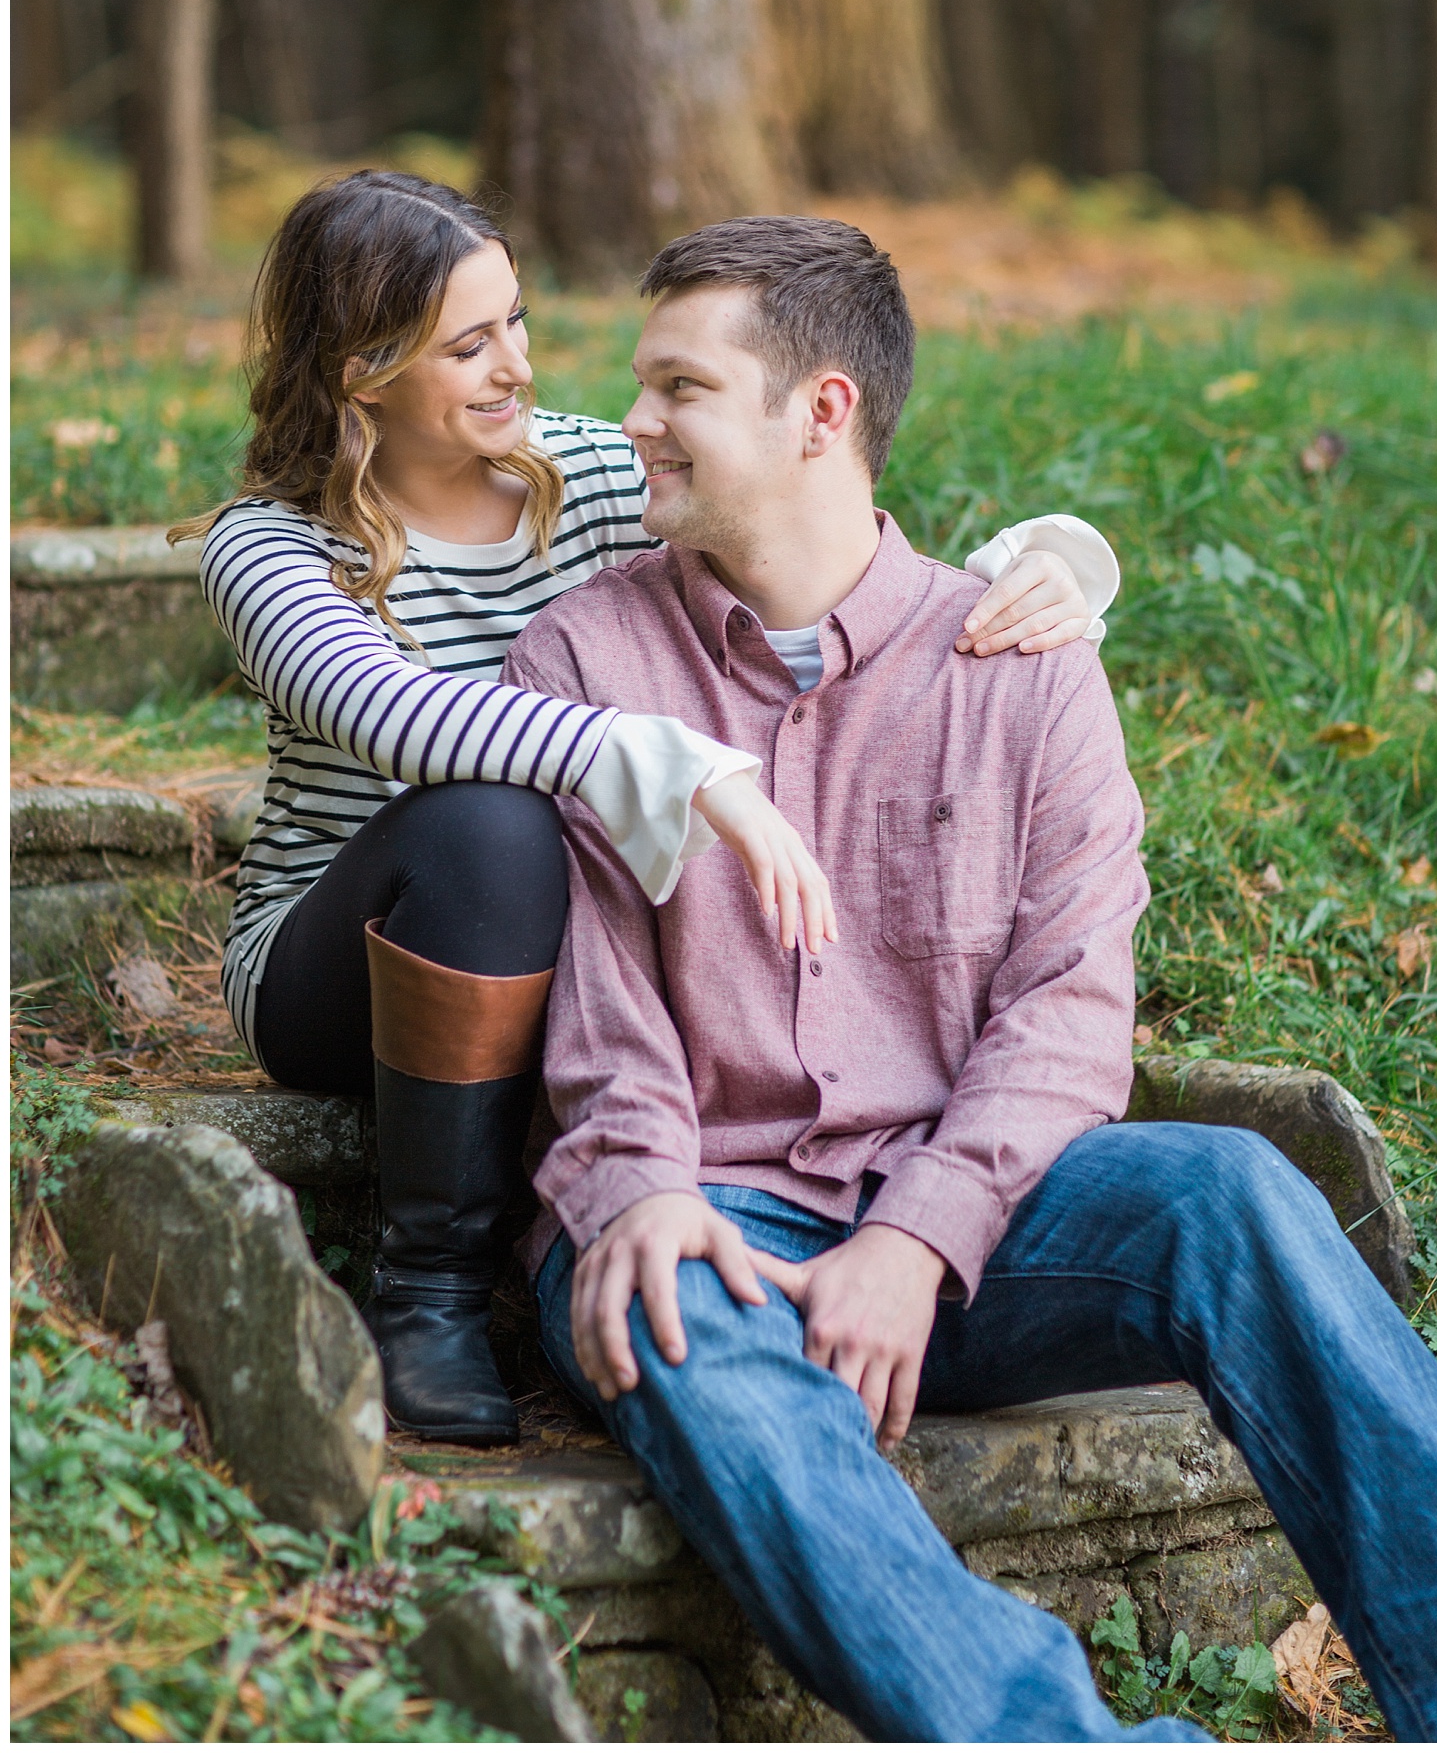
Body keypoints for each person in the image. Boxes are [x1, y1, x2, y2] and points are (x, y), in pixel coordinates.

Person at [504, 214, 1437, 1745]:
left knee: (1226, 1193)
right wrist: (632, 1185)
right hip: (710, 1214)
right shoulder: (580, 660)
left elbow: (1071, 1011)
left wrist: (922, 1234)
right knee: (668, 1299)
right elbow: (595, 987)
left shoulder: (1022, 660)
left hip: (978, 1219)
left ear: (820, 412)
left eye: (679, 388)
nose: (634, 420)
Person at [183, 169, 1116, 1449]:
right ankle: (431, 1291)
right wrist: (680, 762)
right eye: (468, 344)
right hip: (351, 949)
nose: (515, 366)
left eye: (515, 319)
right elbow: (388, 715)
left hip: (568, 926)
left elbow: (803, 506)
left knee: (532, 834)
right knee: (488, 817)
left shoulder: (582, 466)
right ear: (363, 370)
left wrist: (1045, 570)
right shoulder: (273, 542)